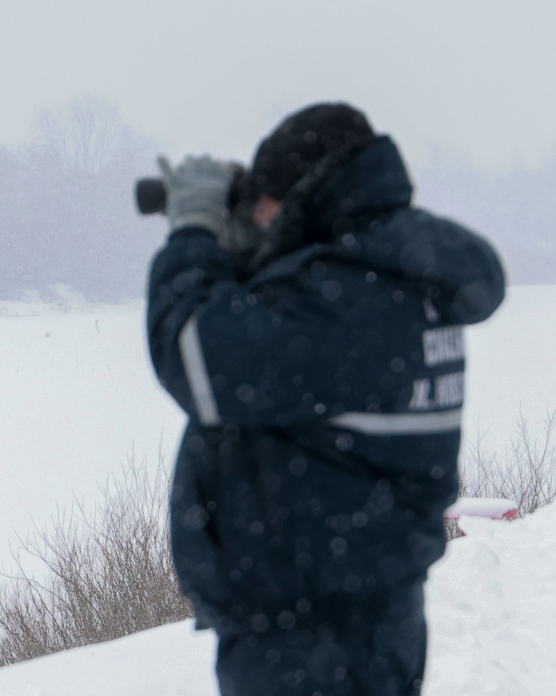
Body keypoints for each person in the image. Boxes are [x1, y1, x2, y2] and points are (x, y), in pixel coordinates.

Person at [145, 103, 505, 696]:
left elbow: (193, 354)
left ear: (302, 197)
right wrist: (240, 253)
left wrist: (193, 233)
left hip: (310, 640)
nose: (257, 219)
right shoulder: (391, 276)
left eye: (262, 205)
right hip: (358, 619)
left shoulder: (345, 300)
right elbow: (279, 344)